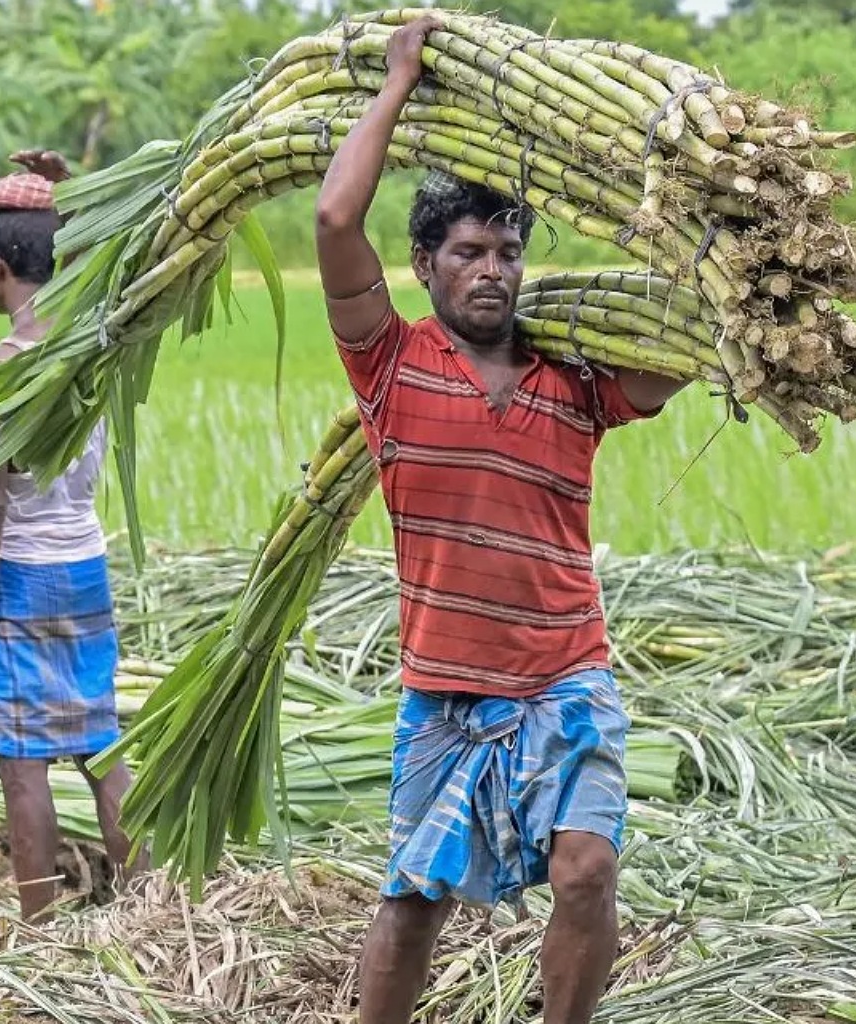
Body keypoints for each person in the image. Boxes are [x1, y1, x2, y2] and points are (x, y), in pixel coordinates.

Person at [312, 18, 691, 1024]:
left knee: (588, 869)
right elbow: (334, 223)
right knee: (412, 900)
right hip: (443, 692)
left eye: (508, 252)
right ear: (428, 266)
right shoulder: (390, 366)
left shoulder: (575, 378)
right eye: (469, 251)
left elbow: (683, 352)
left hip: (568, 677)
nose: (492, 270)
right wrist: (394, 87)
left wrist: (693, 229)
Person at [0, 149, 147, 923]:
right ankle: (146, 910)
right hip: (86, 568)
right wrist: (81, 184)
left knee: (21, 765)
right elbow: (122, 250)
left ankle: (38, 932)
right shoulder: (91, 346)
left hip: (22, 577)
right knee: (100, 747)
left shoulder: (0, 371)